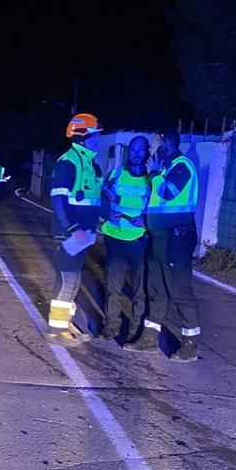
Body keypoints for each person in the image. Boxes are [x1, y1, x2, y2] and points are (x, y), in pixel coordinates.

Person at [126, 131, 201, 361]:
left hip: (176, 239)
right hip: (158, 238)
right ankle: (149, 338)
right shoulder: (165, 169)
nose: (150, 152)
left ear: (166, 148)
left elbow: (168, 193)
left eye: (155, 148)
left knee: (179, 290)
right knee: (156, 290)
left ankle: (190, 344)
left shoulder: (181, 166)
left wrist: (156, 174)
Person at [46, 113, 104, 346]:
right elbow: (57, 200)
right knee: (68, 278)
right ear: (82, 136)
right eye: (94, 136)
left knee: (74, 277)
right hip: (70, 233)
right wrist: (71, 229)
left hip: (83, 234)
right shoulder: (69, 162)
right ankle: (56, 331)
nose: (97, 140)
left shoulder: (89, 164)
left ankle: (63, 322)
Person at [99, 135, 152, 342]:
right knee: (113, 286)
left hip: (140, 241)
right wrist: (106, 213)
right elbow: (101, 200)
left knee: (140, 289)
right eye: (134, 149)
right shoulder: (115, 174)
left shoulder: (152, 178)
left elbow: (158, 206)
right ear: (129, 151)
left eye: (142, 149)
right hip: (115, 237)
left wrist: (146, 220)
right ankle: (111, 324)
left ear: (147, 153)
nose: (137, 153)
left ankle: (135, 327)